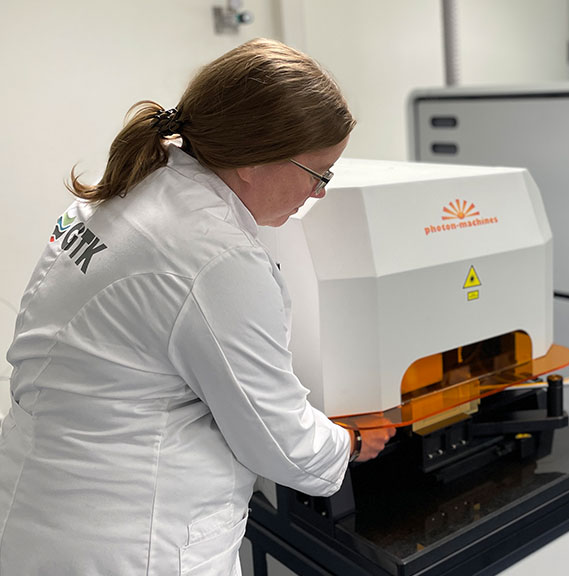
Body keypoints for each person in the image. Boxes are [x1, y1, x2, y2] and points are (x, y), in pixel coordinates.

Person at [0, 38, 394, 575]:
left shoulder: (131, 187)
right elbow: (281, 444)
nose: (319, 193)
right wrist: (347, 443)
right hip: (135, 542)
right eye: (319, 174)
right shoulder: (215, 256)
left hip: (37, 508)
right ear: (255, 157)